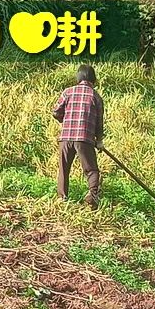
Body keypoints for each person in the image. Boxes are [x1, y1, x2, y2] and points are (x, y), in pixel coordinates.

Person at [53, 64, 105, 210]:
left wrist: (66, 119)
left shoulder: (67, 92)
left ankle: (62, 198)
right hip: (85, 139)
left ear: (78, 78)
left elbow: (56, 112)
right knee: (91, 170)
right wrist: (99, 140)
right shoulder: (96, 97)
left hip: (66, 137)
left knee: (64, 168)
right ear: (93, 80)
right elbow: (99, 122)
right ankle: (92, 196)